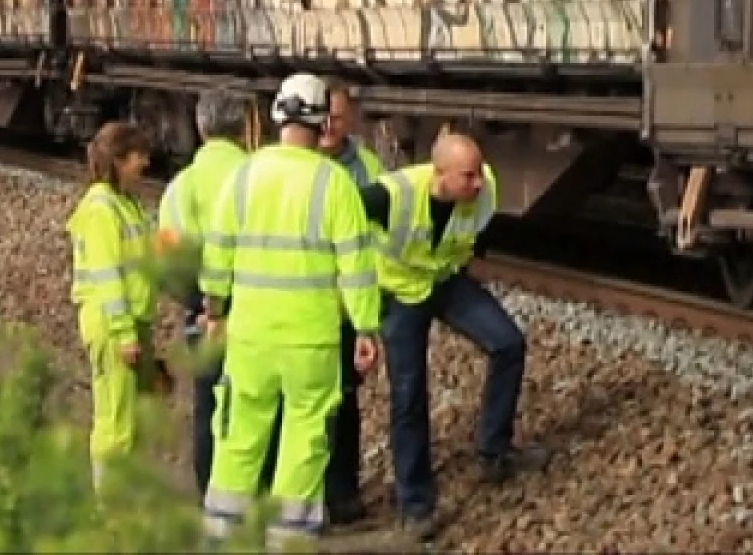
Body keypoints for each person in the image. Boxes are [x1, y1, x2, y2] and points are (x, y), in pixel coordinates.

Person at [198, 73, 383, 547]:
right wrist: (365, 328)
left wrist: (215, 312)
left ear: (276, 115)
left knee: (239, 436)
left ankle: (223, 536)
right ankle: (289, 539)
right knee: (305, 439)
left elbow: (217, 254)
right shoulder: (335, 183)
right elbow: (357, 266)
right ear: (323, 122)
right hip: (312, 342)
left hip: (250, 338)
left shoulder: (242, 176)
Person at [362, 130, 549, 541]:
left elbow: (472, 240)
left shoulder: (485, 192)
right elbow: (342, 229)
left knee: (508, 343)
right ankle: (416, 504)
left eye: (479, 172)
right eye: (468, 176)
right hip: (402, 293)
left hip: (445, 282)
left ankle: (495, 450)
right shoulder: (389, 195)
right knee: (408, 395)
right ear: (439, 175)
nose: (479, 182)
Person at [156, 89, 277, 498]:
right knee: (258, 399)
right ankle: (258, 489)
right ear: (245, 127)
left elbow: (169, 258)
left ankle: (212, 491)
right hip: (258, 300)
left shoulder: (181, 185)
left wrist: (195, 304)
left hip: (205, 309)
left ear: (201, 127)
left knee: (209, 399)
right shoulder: (261, 174)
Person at [67, 119, 159, 493]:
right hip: (113, 325)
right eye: (140, 156)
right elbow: (108, 277)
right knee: (115, 420)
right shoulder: (102, 209)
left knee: (130, 419)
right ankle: (112, 506)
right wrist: (124, 333)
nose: (146, 164)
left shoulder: (126, 203)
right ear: (120, 160)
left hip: (131, 322)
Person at [315, 83, 382, 526]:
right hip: (301, 309)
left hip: (344, 310)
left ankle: (342, 494)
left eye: (337, 117)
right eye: (322, 116)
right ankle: (305, 496)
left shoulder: (368, 168)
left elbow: (376, 240)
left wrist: (366, 317)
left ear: (351, 119)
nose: (328, 126)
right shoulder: (292, 166)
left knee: (344, 405)